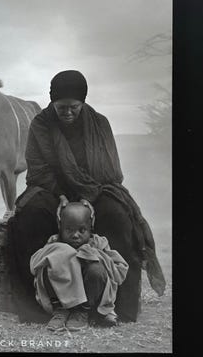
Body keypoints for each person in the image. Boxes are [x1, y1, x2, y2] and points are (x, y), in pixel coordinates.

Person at [9, 70, 165, 324]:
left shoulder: (99, 124)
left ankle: (113, 306)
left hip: (95, 188)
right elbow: (37, 169)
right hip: (51, 189)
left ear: (83, 102)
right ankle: (37, 305)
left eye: (74, 107)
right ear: (52, 102)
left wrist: (87, 200)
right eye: (61, 107)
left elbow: (110, 171)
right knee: (31, 214)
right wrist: (61, 196)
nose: (68, 112)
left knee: (117, 215)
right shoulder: (41, 124)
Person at [30, 201, 129, 331]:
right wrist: (64, 253)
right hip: (60, 294)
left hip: (89, 296)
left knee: (97, 270)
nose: (75, 235)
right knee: (47, 265)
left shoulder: (98, 242)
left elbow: (118, 267)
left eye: (82, 230)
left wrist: (93, 255)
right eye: (69, 230)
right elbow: (35, 264)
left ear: (90, 228)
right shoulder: (55, 242)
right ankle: (60, 311)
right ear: (60, 227)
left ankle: (83, 312)